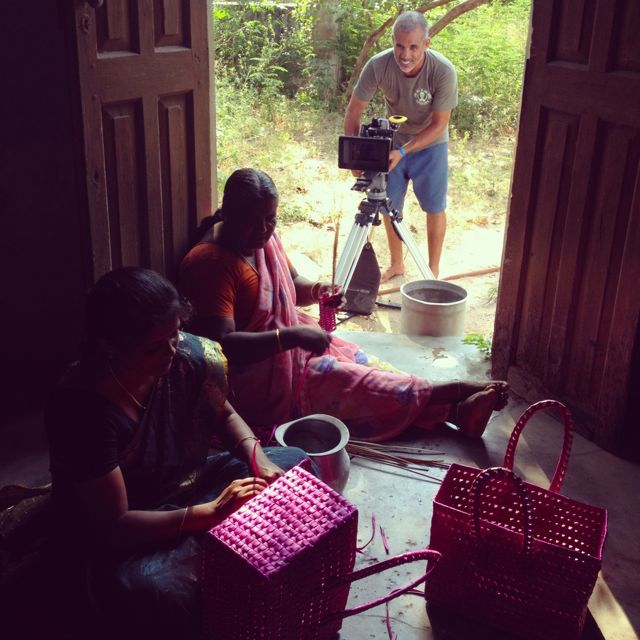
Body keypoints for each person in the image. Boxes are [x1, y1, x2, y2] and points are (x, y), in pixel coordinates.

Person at [45, 266, 309, 639]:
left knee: (293, 464)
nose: (171, 351)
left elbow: (223, 413)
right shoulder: (83, 410)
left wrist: (258, 460)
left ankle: (245, 566)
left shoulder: (183, 356)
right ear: (110, 344)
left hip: (188, 481)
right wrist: (213, 513)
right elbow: (113, 524)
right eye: (153, 346)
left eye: (175, 334)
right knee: (156, 592)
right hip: (135, 520)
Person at [179, 167, 508, 444]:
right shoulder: (210, 263)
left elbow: (292, 286)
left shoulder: (262, 239)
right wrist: (290, 338)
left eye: (271, 220)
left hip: (287, 345)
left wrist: (321, 290)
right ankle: (456, 392)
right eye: (254, 221)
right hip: (255, 381)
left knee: (364, 365)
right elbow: (221, 349)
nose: (264, 230)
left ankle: (455, 411)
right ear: (230, 212)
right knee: (350, 382)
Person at [343, 10, 458, 281]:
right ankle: (397, 264)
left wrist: (404, 150)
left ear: (426, 44)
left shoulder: (442, 71)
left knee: (434, 205)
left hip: (430, 143)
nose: (405, 54)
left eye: (414, 47)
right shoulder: (378, 65)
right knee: (387, 203)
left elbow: (439, 124)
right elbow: (353, 111)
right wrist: (355, 157)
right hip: (392, 142)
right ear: (393, 41)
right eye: (399, 46)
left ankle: (433, 270)